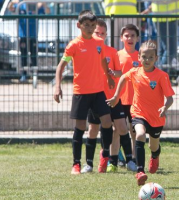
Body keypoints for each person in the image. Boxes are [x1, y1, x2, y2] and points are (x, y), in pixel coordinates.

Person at [53, 11, 116, 175]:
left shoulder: (99, 43)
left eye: (92, 25)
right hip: (81, 92)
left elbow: (102, 59)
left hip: (98, 91)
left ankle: (105, 155)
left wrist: (108, 76)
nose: (89, 28)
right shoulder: (74, 45)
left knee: (107, 122)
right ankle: (76, 164)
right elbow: (61, 66)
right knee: (81, 126)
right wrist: (57, 86)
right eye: (86, 25)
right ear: (78, 25)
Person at [107, 40, 174, 186]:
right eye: (144, 57)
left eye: (151, 57)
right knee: (140, 134)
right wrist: (116, 96)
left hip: (157, 117)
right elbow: (123, 78)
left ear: (156, 58)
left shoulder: (161, 76)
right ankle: (140, 171)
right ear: (139, 57)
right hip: (138, 113)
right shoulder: (134, 72)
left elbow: (170, 98)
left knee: (153, 146)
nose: (147, 60)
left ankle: (155, 156)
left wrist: (165, 107)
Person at [93, 19, 135, 173]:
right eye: (97, 33)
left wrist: (112, 73)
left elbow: (120, 73)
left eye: (103, 33)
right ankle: (106, 158)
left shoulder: (113, 52)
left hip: (119, 97)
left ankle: (131, 159)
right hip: (99, 96)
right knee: (98, 129)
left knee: (126, 129)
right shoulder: (94, 51)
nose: (100, 35)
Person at [115, 23, 145, 168]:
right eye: (126, 35)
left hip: (136, 101)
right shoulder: (117, 56)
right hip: (120, 99)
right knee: (119, 130)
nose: (130, 38)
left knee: (134, 131)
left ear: (137, 38)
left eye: (133, 35)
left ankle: (134, 158)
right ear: (121, 38)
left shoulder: (141, 57)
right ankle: (116, 156)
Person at [13, 0, 46, 82]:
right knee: (23, 55)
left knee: (33, 55)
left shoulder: (37, 6)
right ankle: (24, 74)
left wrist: (43, 4)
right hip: (22, 35)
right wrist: (11, 3)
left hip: (33, 35)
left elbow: (47, 11)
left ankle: (34, 73)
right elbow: (11, 8)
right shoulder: (20, 5)